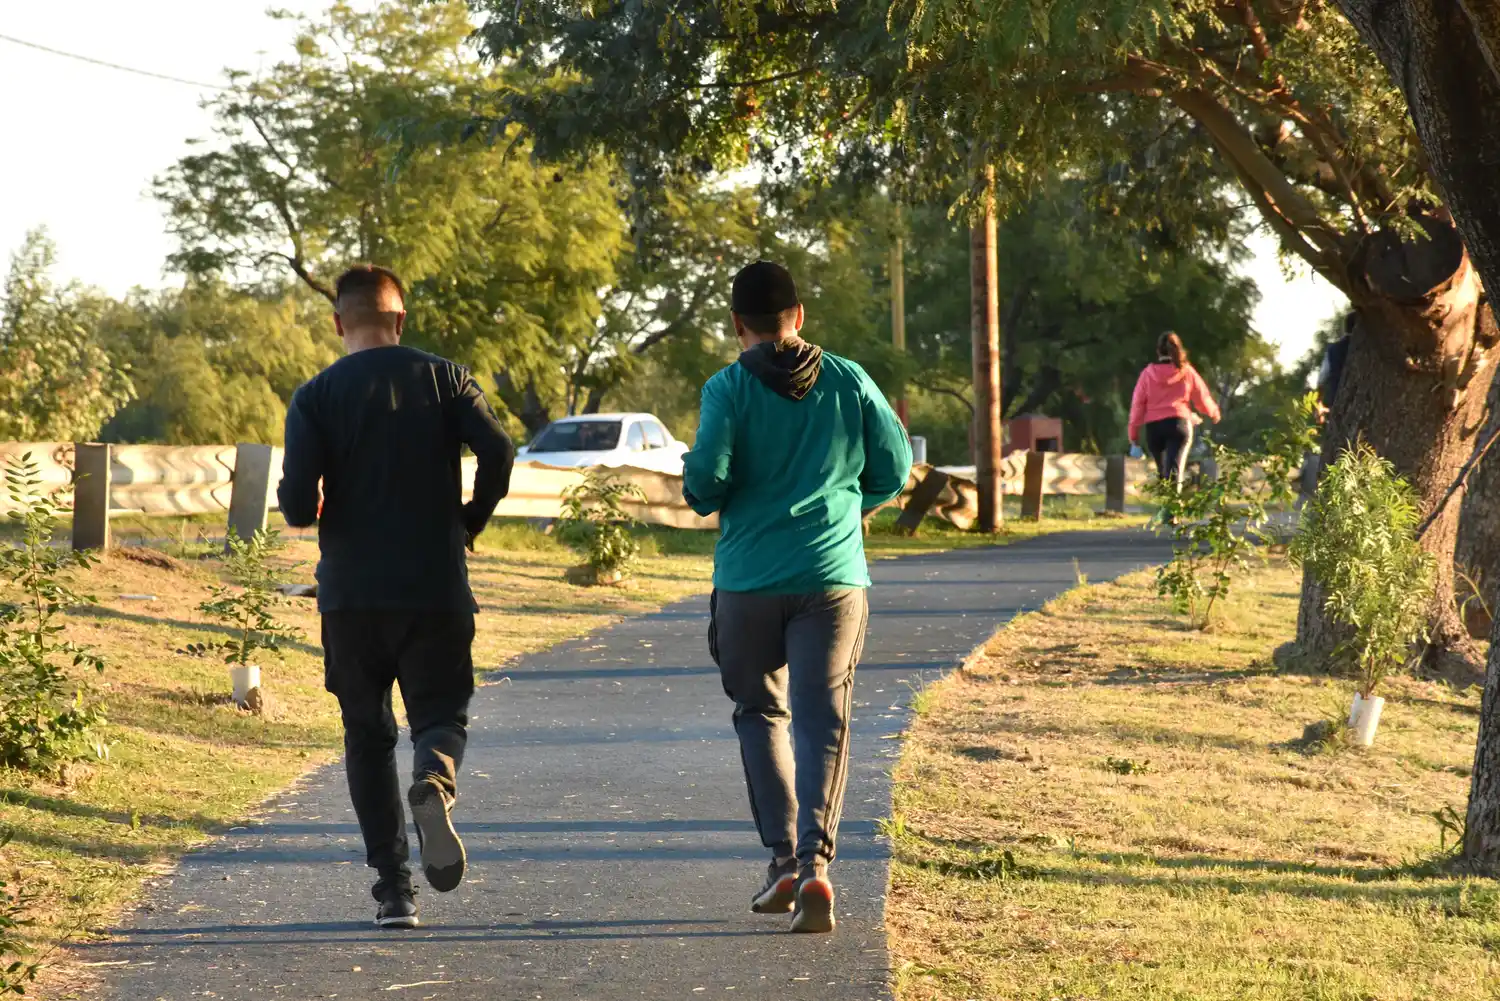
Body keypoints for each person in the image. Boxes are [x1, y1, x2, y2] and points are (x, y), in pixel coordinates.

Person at [277, 265, 515, 929]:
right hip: (434, 587)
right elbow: (498, 449)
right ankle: (435, 779)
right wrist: (472, 517)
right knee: (440, 713)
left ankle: (394, 890)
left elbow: (297, 503)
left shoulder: (315, 395)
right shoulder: (445, 378)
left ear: (338, 323)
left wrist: (309, 500)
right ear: (400, 320)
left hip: (351, 597)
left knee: (367, 735)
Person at [682, 261, 912, 935]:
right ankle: (815, 864)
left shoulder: (727, 388)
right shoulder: (848, 378)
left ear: (736, 325)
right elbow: (894, 467)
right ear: (800, 316)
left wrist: (703, 489)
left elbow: (707, 481)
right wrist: (850, 507)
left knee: (759, 712)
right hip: (833, 580)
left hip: (748, 582)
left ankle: (782, 858)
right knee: (821, 719)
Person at [1128, 331, 1221, 485]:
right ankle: (1172, 506)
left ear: (1158, 351)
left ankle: (1167, 505)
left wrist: (1134, 437)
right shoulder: (1187, 372)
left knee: (1164, 475)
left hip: (1154, 429)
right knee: (1174, 472)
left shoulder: (1147, 374)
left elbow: (1137, 406)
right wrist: (1214, 412)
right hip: (1178, 425)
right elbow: (1202, 397)